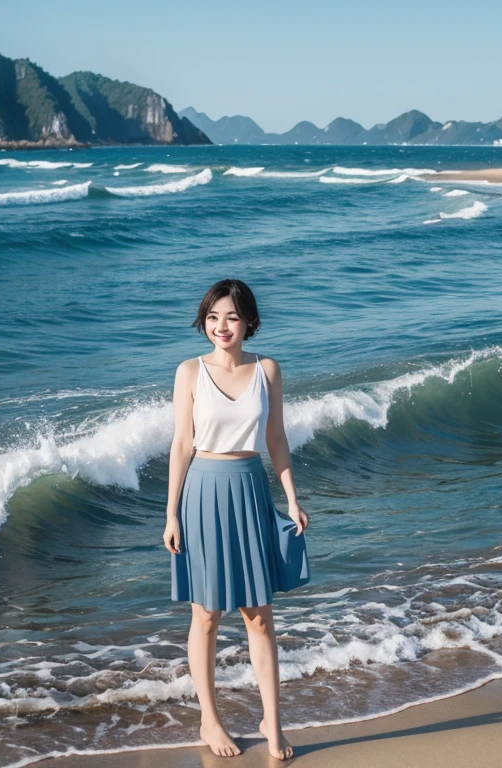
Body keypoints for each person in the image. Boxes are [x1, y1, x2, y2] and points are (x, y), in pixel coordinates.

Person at [164, 278, 311, 760]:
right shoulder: (189, 371)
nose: (220, 326)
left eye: (230, 316)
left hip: (250, 488)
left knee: (259, 617)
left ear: (248, 320)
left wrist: (291, 499)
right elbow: (182, 444)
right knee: (205, 615)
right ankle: (210, 719)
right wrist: (171, 513)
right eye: (212, 317)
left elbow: (277, 440)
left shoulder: (267, 369)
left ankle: (273, 721)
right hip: (203, 491)